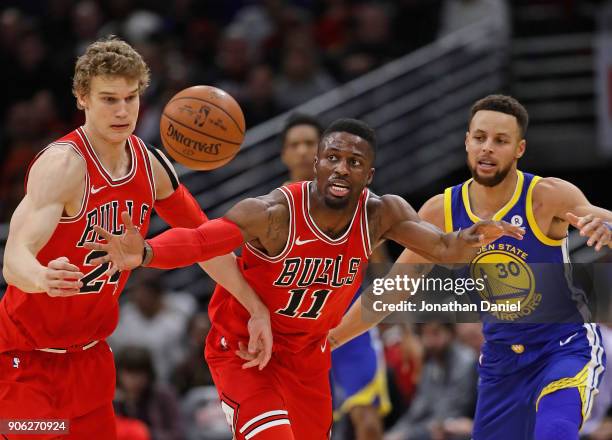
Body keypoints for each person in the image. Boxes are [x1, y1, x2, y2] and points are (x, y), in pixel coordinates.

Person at [89, 118, 524, 440]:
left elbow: (444, 248)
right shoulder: (273, 213)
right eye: (332, 158)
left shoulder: (380, 213)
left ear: (368, 175)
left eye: (354, 162)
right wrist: (146, 251)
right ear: (316, 163)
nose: (340, 168)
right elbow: (206, 241)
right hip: (246, 349)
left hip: (309, 355)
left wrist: (473, 239)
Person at [0, 36, 272, 439]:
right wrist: (42, 277)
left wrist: (254, 307)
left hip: (91, 358)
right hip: (25, 362)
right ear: (82, 98)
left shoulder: (151, 165)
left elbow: (203, 241)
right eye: (109, 99)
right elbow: (14, 259)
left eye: (131, 98)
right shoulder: (63, 166)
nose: (123, 110)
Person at [329, 95, 610, 440]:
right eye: (480, 138)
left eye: (500, 140)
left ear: (519, 149)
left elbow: (604, 220)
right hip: (501, 360)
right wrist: (328, 340)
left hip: (563, 345)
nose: (487, 148)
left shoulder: (547, 196)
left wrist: (608, 230)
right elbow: (392, 289)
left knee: (554, 430)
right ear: (466, 141)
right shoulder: (441, 211)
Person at [279, 113, 391, 440]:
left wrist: (406, 332)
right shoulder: (273, 207)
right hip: (298, 328)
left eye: (309, 144)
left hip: (350, 321)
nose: (301, 151)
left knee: (368, 424)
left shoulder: (359, 204)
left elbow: (383, 267)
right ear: (284, 154)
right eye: (293, 145)